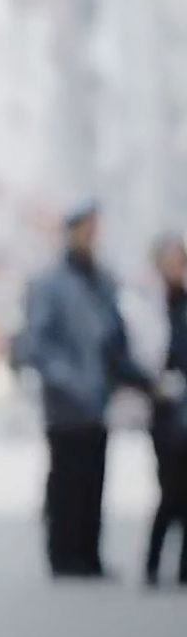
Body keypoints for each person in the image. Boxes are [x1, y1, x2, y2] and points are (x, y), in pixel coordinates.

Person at [20, 201, 153, 581]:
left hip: (98, 397)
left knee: (95, 476)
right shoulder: (49, 283)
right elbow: (37, 344)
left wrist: (131, 376)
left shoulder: (103, 279)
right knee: (66, 478)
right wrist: (68, 379)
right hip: (65, 401)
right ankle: (64, 555)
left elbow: (115, 338)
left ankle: (88, 555)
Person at [145, 233, 187, 587]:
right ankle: (153, 564)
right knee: (171, 490)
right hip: (165, 410)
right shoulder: (147, 303)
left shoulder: (183, 303)